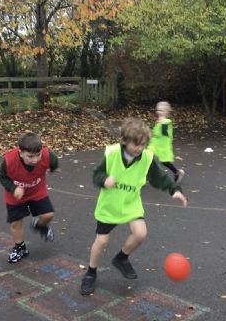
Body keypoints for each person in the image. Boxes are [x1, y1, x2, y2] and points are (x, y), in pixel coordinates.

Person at [80, 118, 187, 296]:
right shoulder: (112, 154)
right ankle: (91, 272)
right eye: (136, 144)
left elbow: (160, 177)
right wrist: (104, 180)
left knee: (140, 233)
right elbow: (96, 174)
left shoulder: (146, 158)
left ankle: (121, 258)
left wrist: (174, 189)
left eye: (143, 145)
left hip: (131, 202)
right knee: (102, 241)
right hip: (110, 205)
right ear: (124, 141)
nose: (140, 149)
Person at [0, 132, 59, 264]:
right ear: (20, 153)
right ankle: (20, 248)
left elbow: (54, 162)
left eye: (38, 155)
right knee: (16, 223)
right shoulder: (9, 161)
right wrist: (13, 188)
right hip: (16, 195)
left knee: (48, 215)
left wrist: (53, 168)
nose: (35, 160)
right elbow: (2, 176)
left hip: (37, 191)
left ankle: (39, 225)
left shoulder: (47, 155)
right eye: (30, 156)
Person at [148, 101, 185, 182]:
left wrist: (161, 122)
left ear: (166, 112)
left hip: (162, 146)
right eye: (158, 110)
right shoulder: (160, 121)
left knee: (164, 162)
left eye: (161, 110)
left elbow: (164, 132)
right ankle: (144, 177)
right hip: (154, 145)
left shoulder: (166, 122)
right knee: (147, 158)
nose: (159, 112)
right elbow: (156, 132)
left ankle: (177, 172)